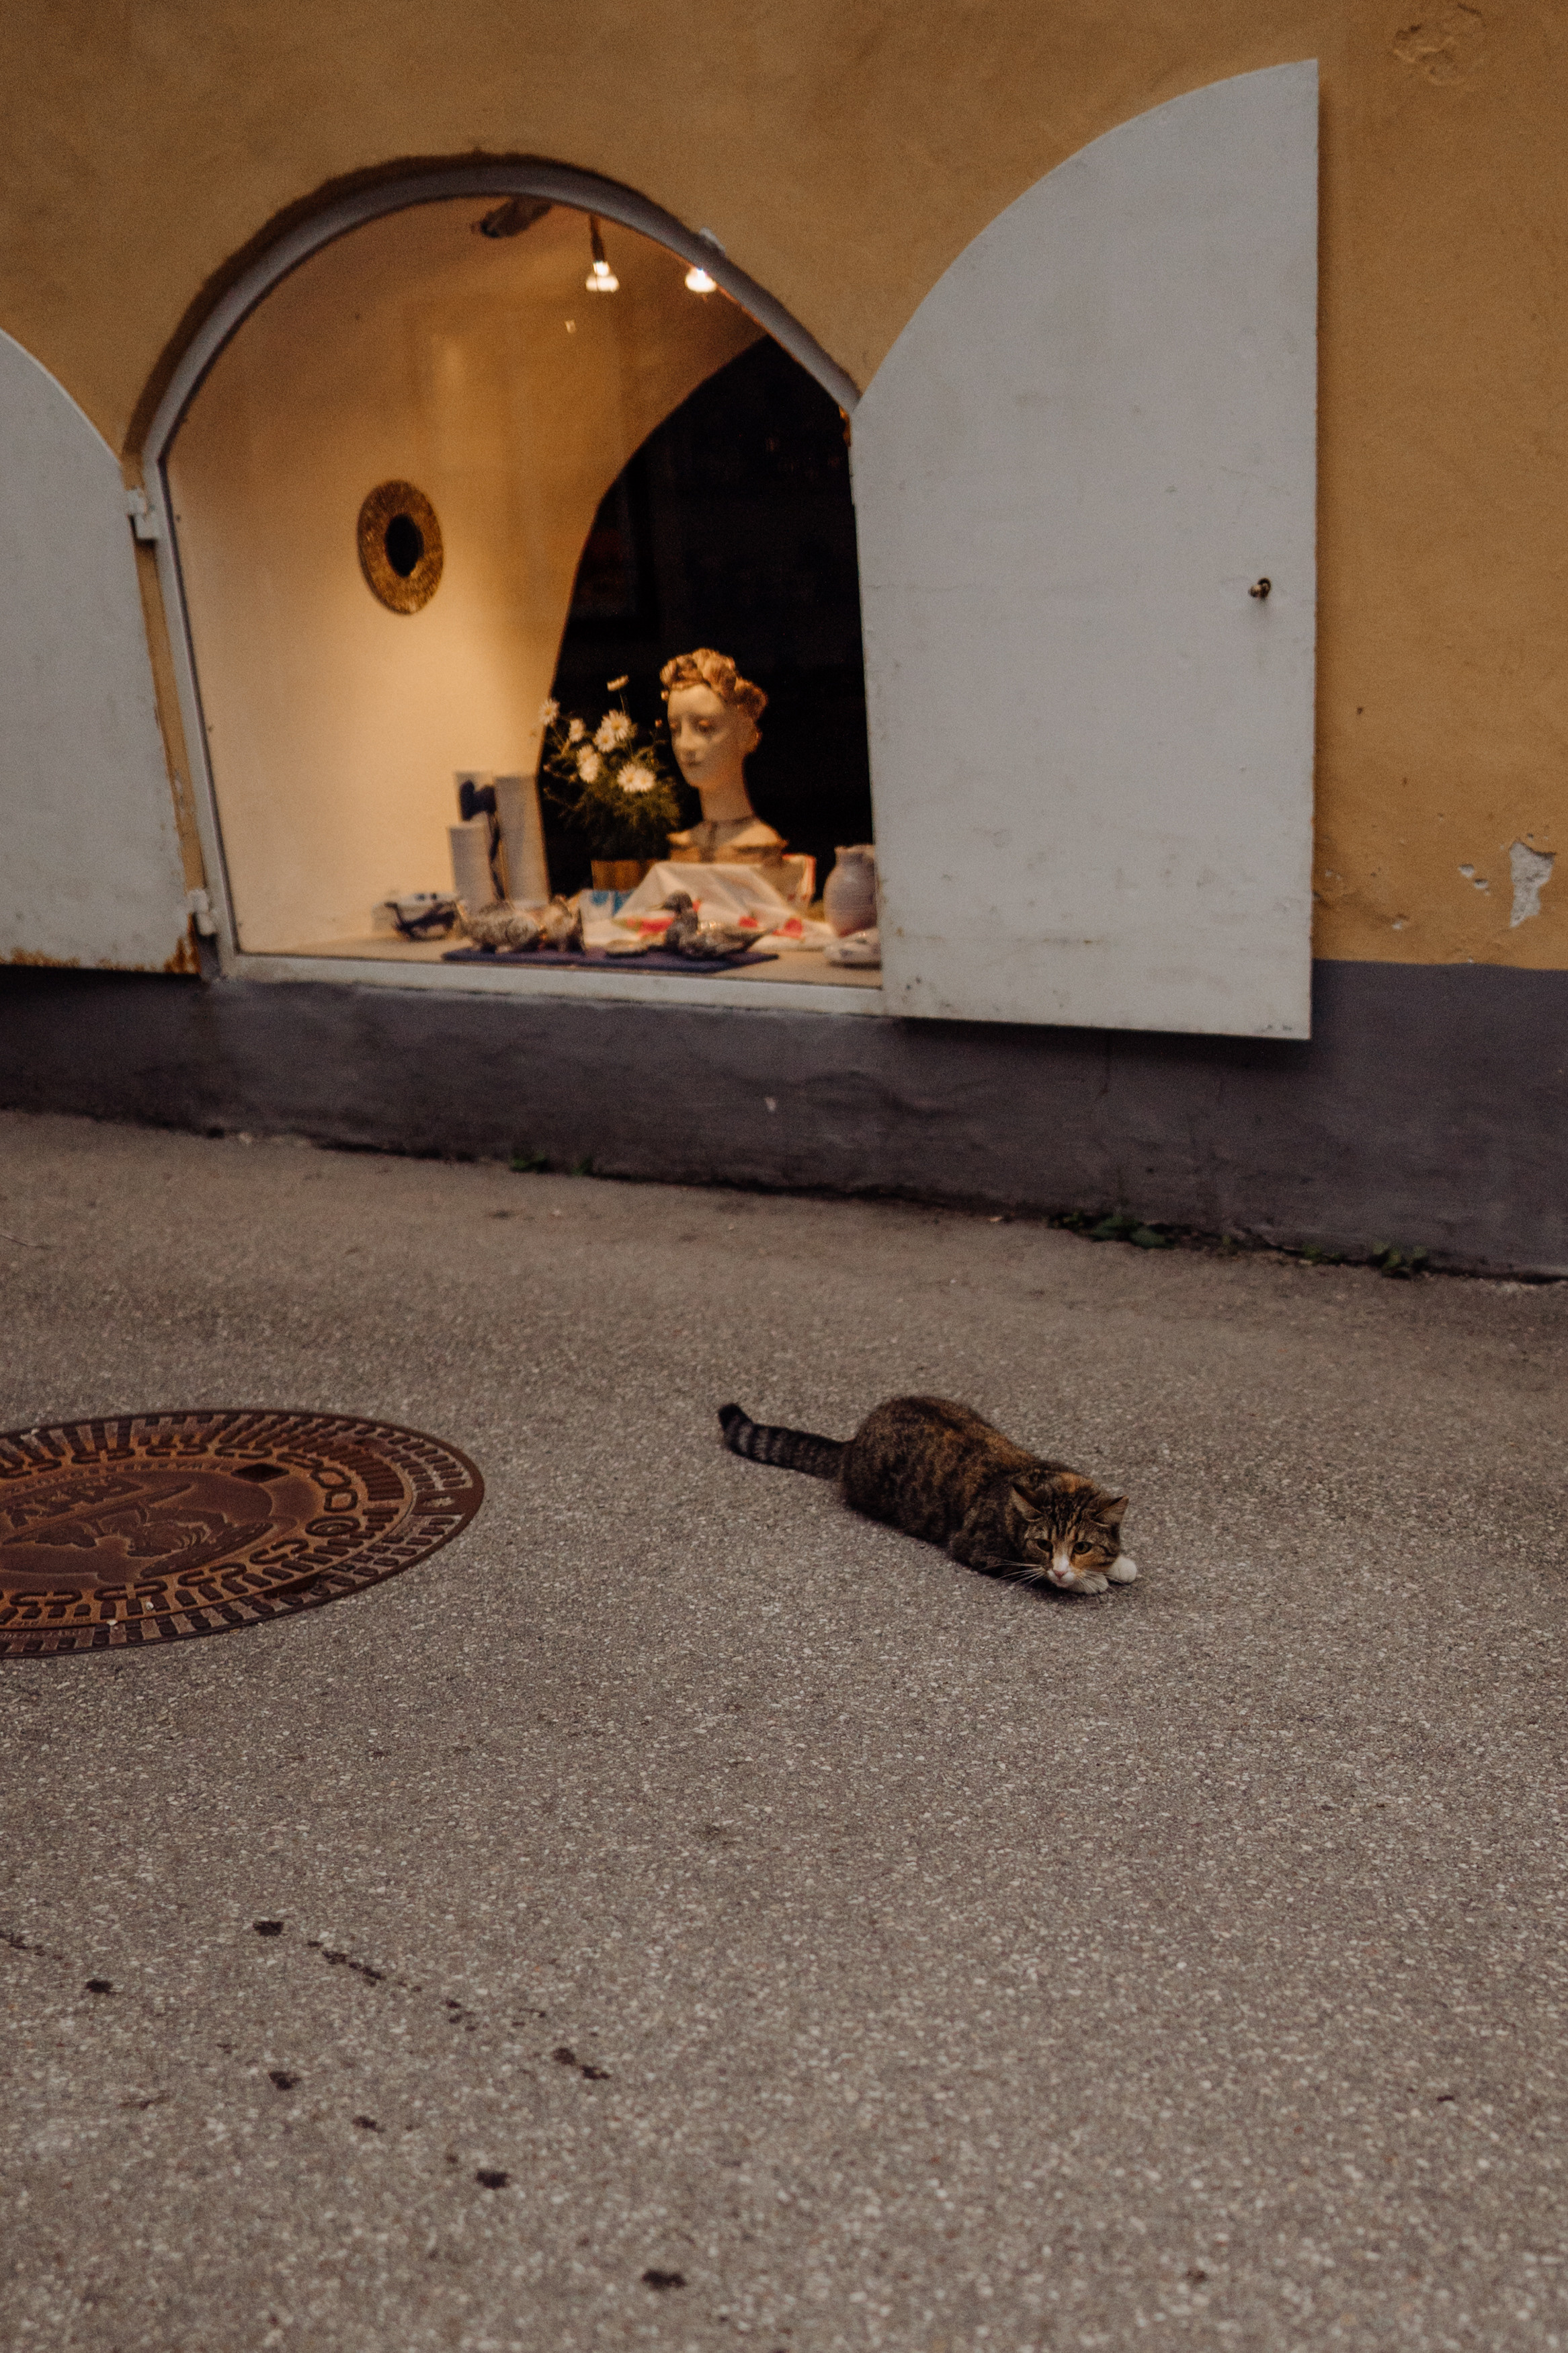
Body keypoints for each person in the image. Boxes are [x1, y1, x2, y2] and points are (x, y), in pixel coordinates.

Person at [660, 649, 789, 869]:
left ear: (745, 733)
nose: (685, 745)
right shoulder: (684, 844)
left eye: (704, 728)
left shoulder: (759, 844)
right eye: (675, 730)